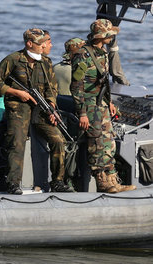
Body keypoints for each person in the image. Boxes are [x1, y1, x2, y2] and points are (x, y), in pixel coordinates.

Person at [0, 28, 74, 194]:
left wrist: (51, 107)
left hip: (41, 110)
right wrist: (16, 92)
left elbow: (52, 89)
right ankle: (13, 183)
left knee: (58, 140)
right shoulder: (13, 59)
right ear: (30, 43)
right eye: (42, 43)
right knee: (17, 143)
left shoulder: (46, 63)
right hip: (18, 108)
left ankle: (57, 181)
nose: (45, 46)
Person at [70, 19, 136, 193]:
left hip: (102, 105)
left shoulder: (102, 53)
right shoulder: (83, 55)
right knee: (97, 143)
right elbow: (76, 87)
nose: (112, 36)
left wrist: (109, 103)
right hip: (90, 106)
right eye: (110, 34)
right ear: (102, 35)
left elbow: (103, 82)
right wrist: (82, 113)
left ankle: (113, 180)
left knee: (109, 142)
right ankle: (102, 182)